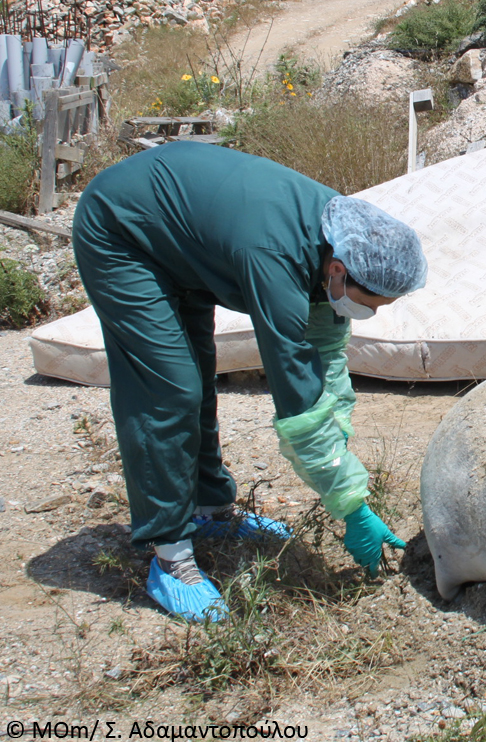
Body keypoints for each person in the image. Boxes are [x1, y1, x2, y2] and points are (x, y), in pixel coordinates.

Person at [72, 141, 427, 622]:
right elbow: (297, 399)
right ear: (339, 271)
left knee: (196, 373)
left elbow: (325, 353)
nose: (367, 313)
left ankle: (209, 511)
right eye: (369, 302)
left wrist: (338, 430)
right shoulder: (274, 256)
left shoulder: (338, 235)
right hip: (123, 231)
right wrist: (350, 505)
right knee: (168, 389)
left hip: (181, 238)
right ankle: (171, 559)